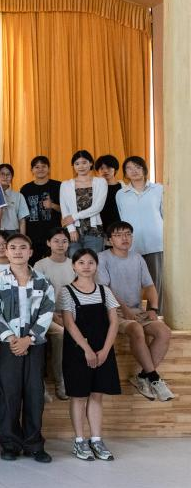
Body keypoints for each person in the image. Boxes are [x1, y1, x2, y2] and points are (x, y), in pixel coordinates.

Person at [0, 233, 56, 463]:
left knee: (34, 394)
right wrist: (13, 339)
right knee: (8, 394)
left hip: (35, 345)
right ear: (6, 252)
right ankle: (10, 444)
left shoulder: (43, 281)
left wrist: (29, 339)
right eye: (12, 247)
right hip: (7, 345)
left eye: (22, 247)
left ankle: (34, 444)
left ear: (30, 252)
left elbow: (47, 312)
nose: (17, 251)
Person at [96, 221, 174, 401]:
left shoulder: (137, 258)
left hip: (137, 310)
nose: (124, 238)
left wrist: (153, 308)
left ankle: (143, 376)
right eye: (118, 235)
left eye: (128, 234)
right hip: (113, 312)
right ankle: (155, 378)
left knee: (164, 332)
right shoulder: (102, 258)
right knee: (136, 329)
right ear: (109, 240)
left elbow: (150, 286)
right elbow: (105, 289)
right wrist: (124, 309)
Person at [59, 249, 121, 461]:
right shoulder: (67, 291)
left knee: (97, 395)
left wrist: (105, 350)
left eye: (91, 262)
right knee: (78, 396)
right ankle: (79, 441)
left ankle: (96, 439)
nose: (86, 266)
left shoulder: (105, 291)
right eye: (81, 262)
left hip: (103, 349)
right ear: (73, 266)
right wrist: (86, 349)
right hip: (77, 351)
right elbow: (69, 323)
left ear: (96, 266)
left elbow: (114, 322)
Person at [34, 228, 76, 400]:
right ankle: (42, 383)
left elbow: (78, 293)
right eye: (56, 241)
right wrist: (52, 315)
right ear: (48, 243)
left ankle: (62, 381)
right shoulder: (40, 265)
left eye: (64, 241)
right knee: (58, 333)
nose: (60, 244)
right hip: (43, 314)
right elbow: (37, 296)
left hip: (68, 313)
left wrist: (67, 316)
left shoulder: (74, 264)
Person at [116, 155, 163, 300]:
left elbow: (164, 215)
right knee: (132, 283)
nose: (134, 171)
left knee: (156, 282)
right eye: (129, 168)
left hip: (156, 243)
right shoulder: (121, 194)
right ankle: (135, 312)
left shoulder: (158, 189)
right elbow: (123, 219)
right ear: (125, 173)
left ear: (144, 169)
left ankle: (156, 311)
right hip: (132, 245)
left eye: (138, 167)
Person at [60, 150, 108, 255]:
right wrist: (71, 229)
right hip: (73, 231)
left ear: (91, 163)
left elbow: (98, 207)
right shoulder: (65, 184)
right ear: (73, 166)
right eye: (77, 164)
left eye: (84, 162)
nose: (81, 166)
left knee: (93, 261)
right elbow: (64, 209)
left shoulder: (101, 182)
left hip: (94, 230)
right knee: (75, 261)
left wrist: (74, 217)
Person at [20, 156, 62, 262]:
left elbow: (67, 211)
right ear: (32, 170)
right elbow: (22, 215)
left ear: (49, 168)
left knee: (54, 265)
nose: (40, 169)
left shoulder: (58, 186)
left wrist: (52, 205)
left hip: (54, 236)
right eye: (37, 167)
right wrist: (23, 236)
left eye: (43, 166)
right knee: (33, 266)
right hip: (32, 236)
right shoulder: (25, 189)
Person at [0, 163, 29, 235]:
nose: (5, 177)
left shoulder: (18, 196)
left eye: (8, 174)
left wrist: (22, 238)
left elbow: (22, 220)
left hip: (13, 233)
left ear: (12, 177)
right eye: (2, 174)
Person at [95, 154, 123, 234]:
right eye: (101, 168)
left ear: (115, 169)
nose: (105, 171)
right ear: (97, 171)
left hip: (119, 227)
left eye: (108, 167)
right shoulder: (95, 189)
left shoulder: (124, 188)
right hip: (100, 229)